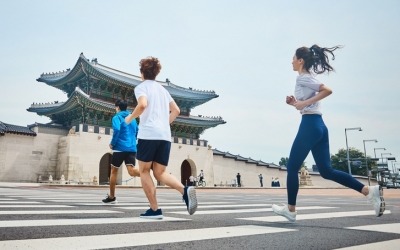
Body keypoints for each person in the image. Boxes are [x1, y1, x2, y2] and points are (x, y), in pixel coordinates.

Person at [272, 45, 385, 222]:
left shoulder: (303, 78)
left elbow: (327, 90)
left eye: (293, 58)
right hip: (319, 125)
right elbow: (308, 105)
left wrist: (304, 103)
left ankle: (291, 210)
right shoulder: (308, 78)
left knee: (292, 168)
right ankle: (368, 191)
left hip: (310, 125)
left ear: (300, 60)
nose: (291, 61)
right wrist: (296, 103)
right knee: (326, 171)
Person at [125, 56, 197, 219]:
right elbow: (176, 110)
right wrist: (164, 125)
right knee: (160, 172)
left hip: (148, 135)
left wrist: (130, 118)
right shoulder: (163, 91)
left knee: (144, 171)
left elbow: (142, 105)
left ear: (142, 72)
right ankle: (184, 190)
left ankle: (155, 210)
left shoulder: (141, 87)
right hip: (164, 136)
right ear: (156, 73)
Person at [102, 99, 140, 204]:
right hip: (132, 148)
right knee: (132, 171)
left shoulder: (117, 117)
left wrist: (112, 143)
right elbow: (137, 131)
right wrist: (132, 142)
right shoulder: (133, 118)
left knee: (114, 171)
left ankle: (112, 197)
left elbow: (117, 129)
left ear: (117, 107)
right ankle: (146, 173)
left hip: (119, 148)